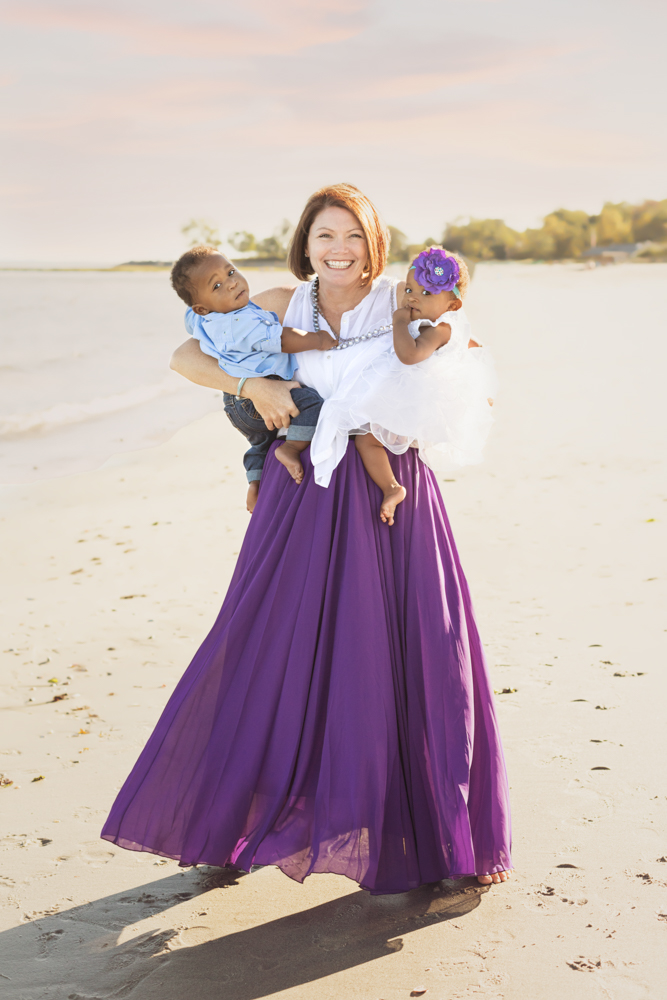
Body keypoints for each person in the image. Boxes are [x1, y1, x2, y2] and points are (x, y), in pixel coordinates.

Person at [101, 183, 512, 892]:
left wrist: (437, 379)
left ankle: (433, 829)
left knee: (412, 648)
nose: (338, 250)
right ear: (305, 244)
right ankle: (233, 820)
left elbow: (464, 356)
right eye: (325, 235)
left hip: (390, 494)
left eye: (352, 235)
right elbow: (184, 356)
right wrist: (251, 388)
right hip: (303, 494)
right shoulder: (276, 305)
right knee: (268, 642)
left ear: (373, 243)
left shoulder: (401, 300)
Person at [323, 245, 497, 524]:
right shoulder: (445, 325)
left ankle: (392, 488)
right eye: (409, 290)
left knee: (367, 441)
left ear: (452, 306)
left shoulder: (438, 329)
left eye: (427, 293)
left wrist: (399, 323)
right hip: (412, 393)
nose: (413, 298)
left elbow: (408, 355)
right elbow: (472, 345)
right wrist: (480, 387)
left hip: (416, 400)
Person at [170, 245, 335, 512]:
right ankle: (291, 449)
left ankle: (255, 481)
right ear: (201, 307)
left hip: (235, 403)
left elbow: (191, 319)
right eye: (217, 286)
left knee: (261, 443)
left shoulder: (203, 318)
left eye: (231, 272)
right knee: (311, 404)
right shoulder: (242, 323)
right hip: (255, 393)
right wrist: (317, 340)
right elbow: (282, 339)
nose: (232, 283)